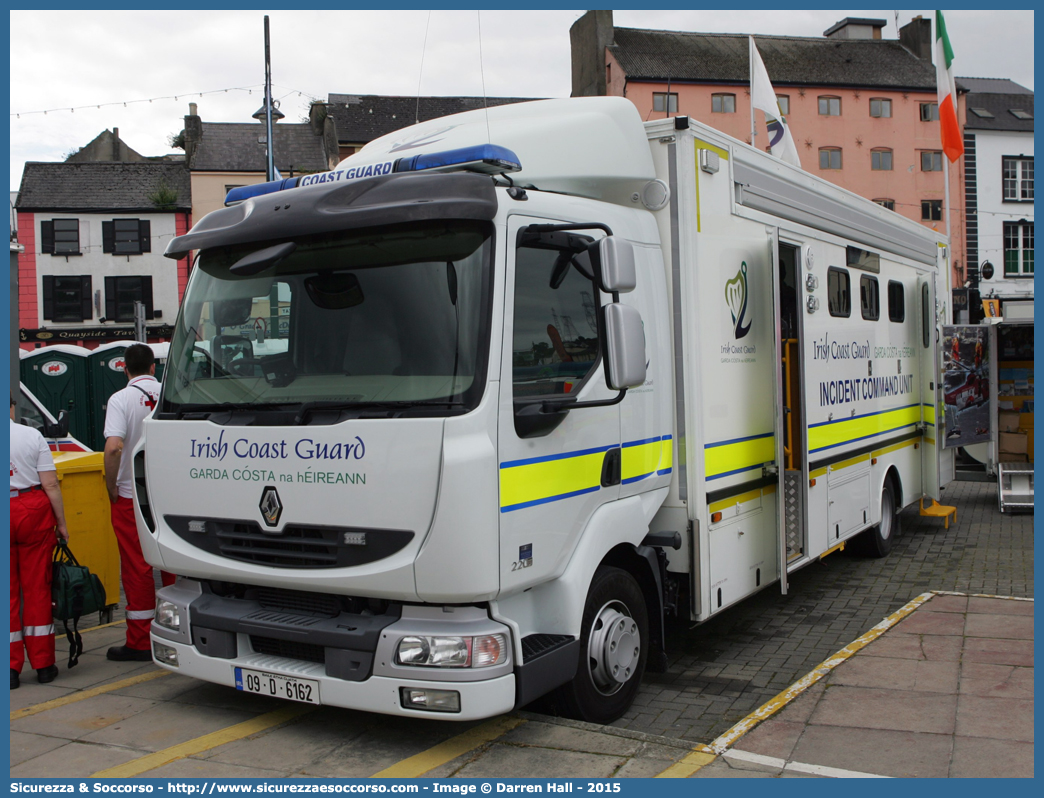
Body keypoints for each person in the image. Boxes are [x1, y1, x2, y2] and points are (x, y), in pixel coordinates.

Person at [103, 344, 174, 662]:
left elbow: (114, 447)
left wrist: (111, 486)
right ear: (153, 367)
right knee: (176, 564)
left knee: (137, 567)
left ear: (124, 369)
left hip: (132, 496)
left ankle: (140, 640)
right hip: (170, 494)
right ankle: (177, 631)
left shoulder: (120, 399)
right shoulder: (169, 392)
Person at [10, 394, 69, 688]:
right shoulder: (31, 435)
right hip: (31, 509)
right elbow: (50, 483)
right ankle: (44, 665)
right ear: (11, 407)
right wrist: (61, 523)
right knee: (37, 589)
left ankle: (9, 670)